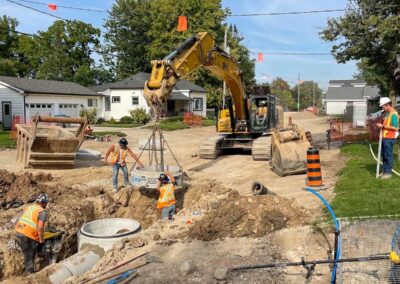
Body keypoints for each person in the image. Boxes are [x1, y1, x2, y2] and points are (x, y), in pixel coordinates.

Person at [15, 193, 49, 274]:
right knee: (30, 256)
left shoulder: (30, 207)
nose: (46, 205)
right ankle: (29, 276)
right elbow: (40, 228)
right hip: (27, 235)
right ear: (44, 203)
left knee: (27, 255)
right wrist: (41, 240)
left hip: (19, 232)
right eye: (46, 203)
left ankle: (27, 270)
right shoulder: (42, 211)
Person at [376, 97, 399, 179]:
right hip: (385, 137)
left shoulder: (393, 114)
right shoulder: (388, 114)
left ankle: (388, 173)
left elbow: (395, 127)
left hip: (389, 138)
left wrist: (383, 126)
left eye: (383, 106)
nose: (382, 108)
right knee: (384, 155)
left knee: (388, 155)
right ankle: (385, 171)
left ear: (388, 105)